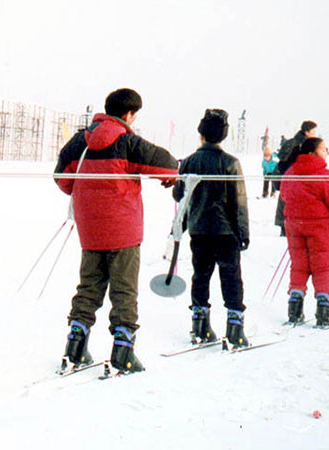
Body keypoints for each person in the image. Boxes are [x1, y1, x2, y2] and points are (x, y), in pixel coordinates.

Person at [53, 88, 178, 373]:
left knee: (88, 287)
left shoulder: (79, 142)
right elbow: (169, 166)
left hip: (91, 230)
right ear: (129, 114)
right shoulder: (127, 142)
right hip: (123, 232)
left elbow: (62, 178)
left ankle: (75, 346)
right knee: (124, 291)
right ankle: (123, 352)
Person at [172, 109, 250, 348]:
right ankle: (235, 329)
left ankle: (200, 325)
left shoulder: (188, 162)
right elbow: (239, 202)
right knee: (231, 278)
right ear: (223, 135)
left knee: (201, 276)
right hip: (226, 232)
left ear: (201, 133)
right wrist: (243, 234)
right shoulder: (230, 163)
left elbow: (179, 195)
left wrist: (180, 226)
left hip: (199, 230)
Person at [281, 137, 329, 326]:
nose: (326, 153)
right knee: (322, 266)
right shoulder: (324, 175)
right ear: (312, 153)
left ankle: (294, 308)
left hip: (294, 226)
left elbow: (284, 195)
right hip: (320, 228)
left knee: (298, 266)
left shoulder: (290, 173)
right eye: (324, 149)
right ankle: (324, 310)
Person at [274, 121, 318, 235]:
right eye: (313, 131)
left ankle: (285, 226)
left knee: (285, 202)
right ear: (307, 132)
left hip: (288, 179)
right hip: (294, 179)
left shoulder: (292, 142)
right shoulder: (301, 145)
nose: (315, 134)